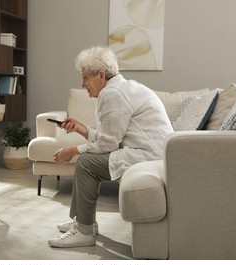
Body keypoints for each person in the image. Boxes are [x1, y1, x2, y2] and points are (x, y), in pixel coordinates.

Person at [48, 46, 174, 248]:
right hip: (154, 152)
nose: (82, 85)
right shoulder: (122, 88)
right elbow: (110, 137)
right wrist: (81, 129)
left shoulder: (112, 93)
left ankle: (84, 231)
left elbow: (107, 144)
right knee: (88, 161)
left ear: (100, 75)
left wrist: (72, 151)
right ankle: (84, 221)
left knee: (86, 163)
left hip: (148, 156)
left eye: (85, 79)